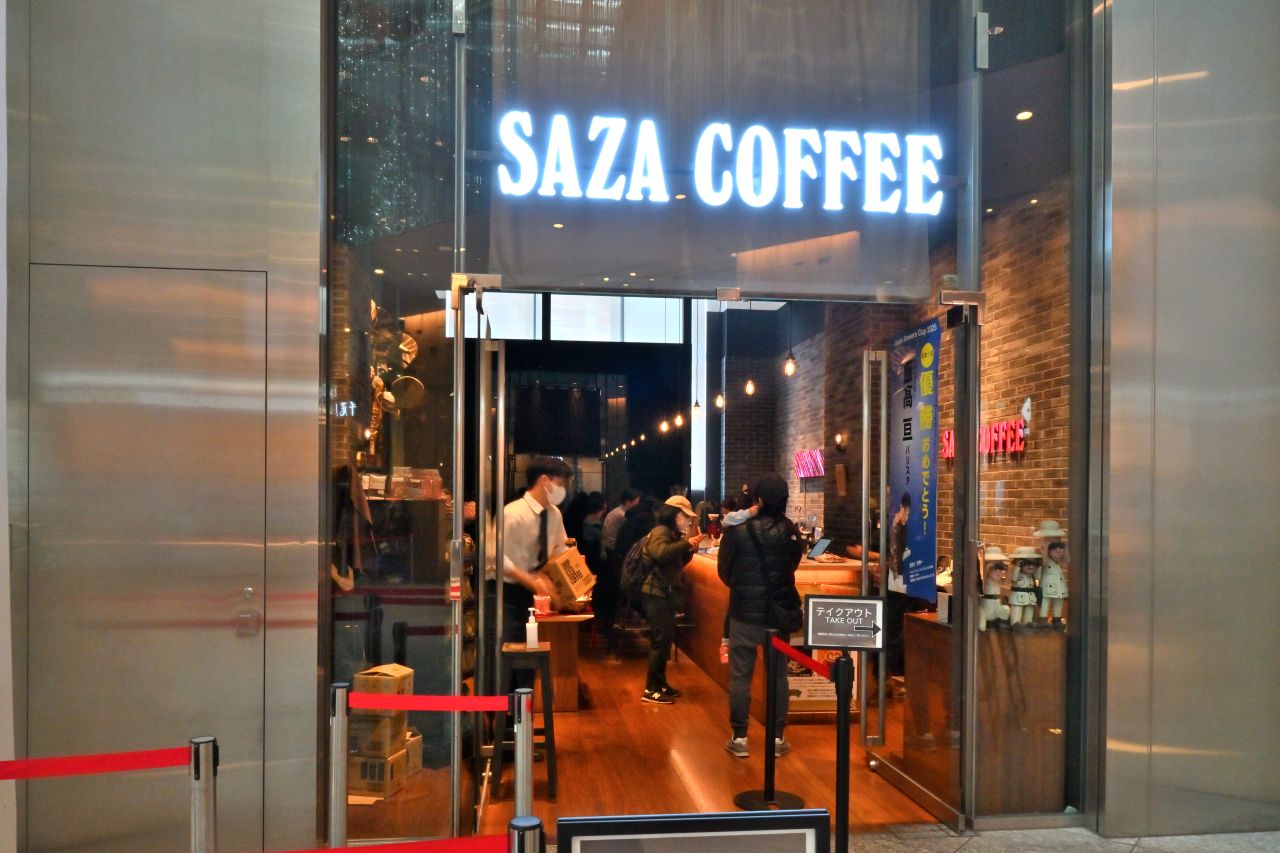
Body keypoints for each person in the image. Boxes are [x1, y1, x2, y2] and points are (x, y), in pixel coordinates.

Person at [717, 474, 803, 758]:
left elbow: (724, 572)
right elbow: (791, 566)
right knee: (778, 677)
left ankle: (740, 738)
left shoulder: (737, 530)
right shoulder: (791, 531)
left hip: (744, 614)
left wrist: (743, 586)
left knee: (740, 677)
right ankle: (777, 739)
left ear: (759, 499)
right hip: (777, 614)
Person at [501, 456, 572, 689]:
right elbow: (498, 560)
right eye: (560, 484)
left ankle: (524, 707)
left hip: (532, 592)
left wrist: (572, 581)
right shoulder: (513, 513)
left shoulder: (554, 514)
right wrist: (532, 581)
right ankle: (506, 710)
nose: (563, 490)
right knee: (509, 658)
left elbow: (560, 550)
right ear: (544, 481)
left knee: (529, 657)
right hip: (507, 595)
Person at [639, 496, 702, 704]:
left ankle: (660, 683)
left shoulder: (671, 534)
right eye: (685, 516)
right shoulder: (660, 531)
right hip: (655, 593)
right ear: (675, 514)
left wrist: (689, 548)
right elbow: (660, 554)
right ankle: (650, 689)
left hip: (663, 593)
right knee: (660, 641)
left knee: (665, 641)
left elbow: (675, 562)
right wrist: (685, 543)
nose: (688, 521)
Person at [602, 488, 640, 557]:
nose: (638, 505)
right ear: (628, 502)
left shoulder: (616, 511)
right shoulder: (622, 515)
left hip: (607, 546)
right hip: (613, 548)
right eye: (636, 503)